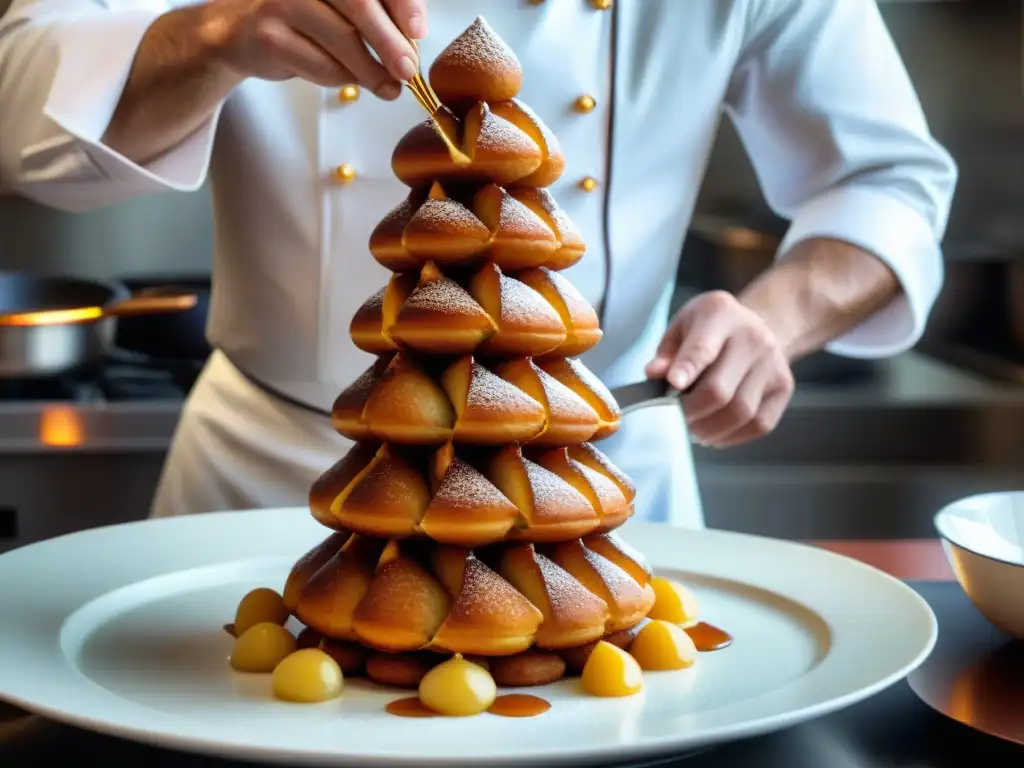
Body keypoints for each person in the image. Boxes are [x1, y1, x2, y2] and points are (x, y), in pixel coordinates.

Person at [0, 0, 956, 528]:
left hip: (596, 487)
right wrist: (214, 32)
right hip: (274, 484)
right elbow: (24, 110)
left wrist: (774, 321)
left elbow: (888, 182)